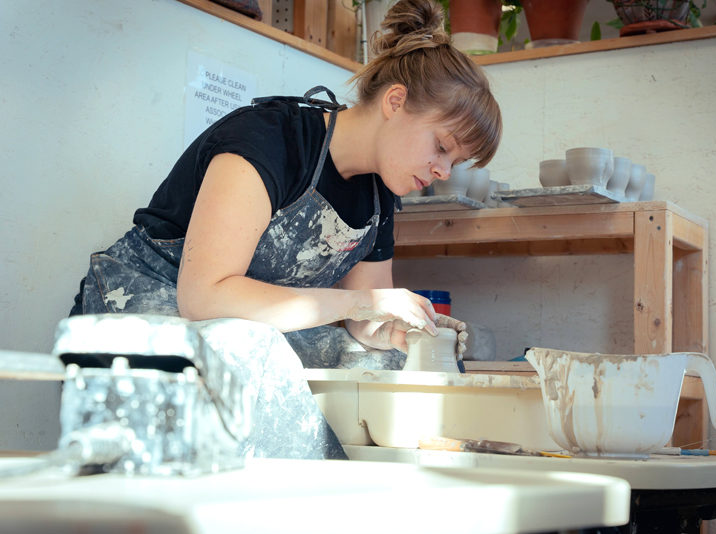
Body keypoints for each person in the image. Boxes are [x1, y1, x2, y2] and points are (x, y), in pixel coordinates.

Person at [68, 0, 502, 459]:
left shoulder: (380, 195)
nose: (441, 171)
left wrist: (397, 327)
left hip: (239, 323)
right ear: (395, 102)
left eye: (454, 163)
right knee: (255, 353)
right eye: (441, 147)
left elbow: (361, 320)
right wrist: (361, 302)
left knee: (389, 364)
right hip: (144, 300)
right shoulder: (270, 140)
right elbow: (205, 297)